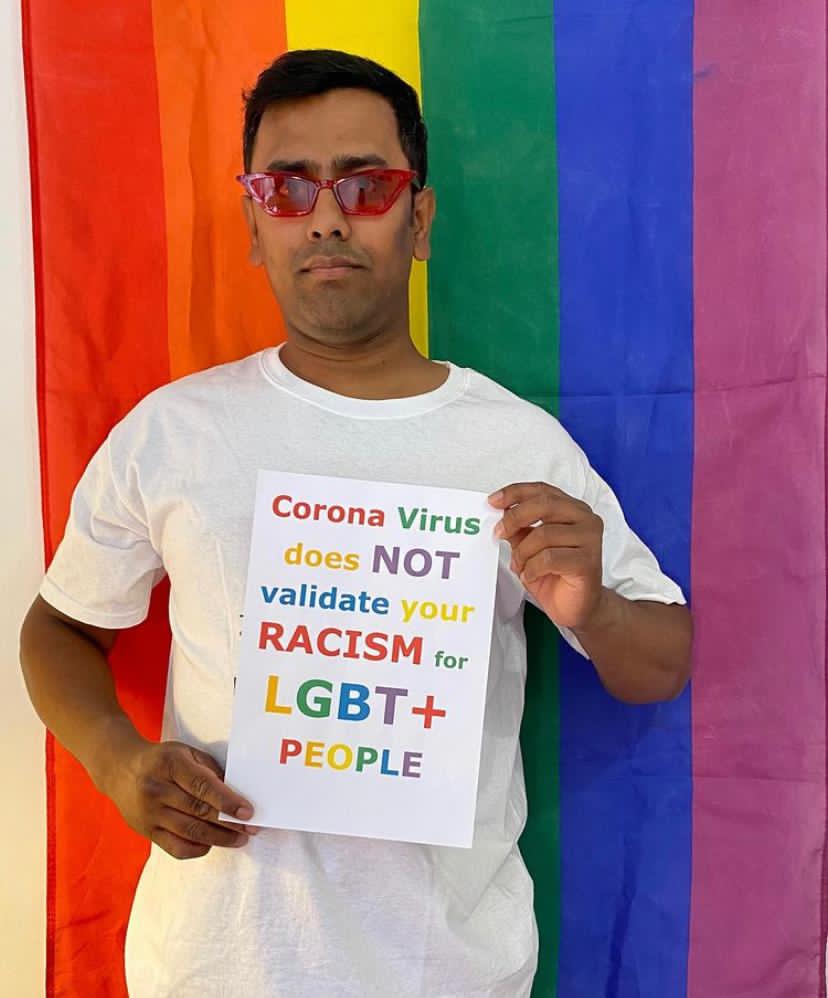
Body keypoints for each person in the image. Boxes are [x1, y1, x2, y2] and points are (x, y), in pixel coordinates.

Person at [20, 48, 692, 998]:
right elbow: (59, 628)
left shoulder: (517, 445)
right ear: (254, 222)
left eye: (366, 184)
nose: (327, 216)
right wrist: (117, 760)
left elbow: (661, 658)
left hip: (449, 973)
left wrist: (595, 610)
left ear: (420, 219)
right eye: (287, 187)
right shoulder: (174, 432)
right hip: (209, 968)